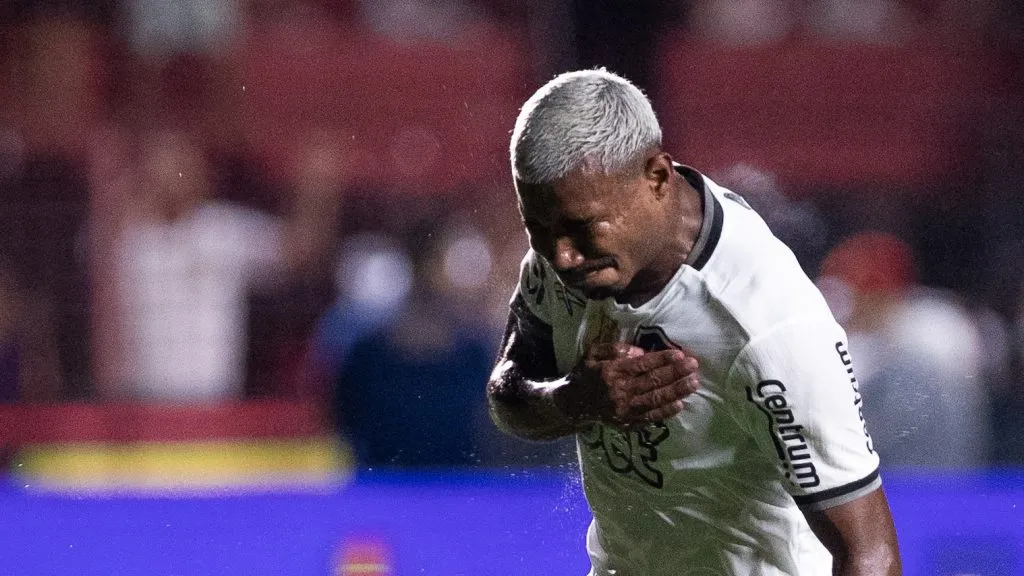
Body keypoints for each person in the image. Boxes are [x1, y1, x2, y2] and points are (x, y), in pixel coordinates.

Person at [487, 69, 901, 575]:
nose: (563, 256)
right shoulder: (564, 255)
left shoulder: (768, 325)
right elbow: (506, 395)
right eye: (539, 229)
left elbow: (869, 553)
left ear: (657, 178)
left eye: (581, 229)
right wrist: (575, 400)